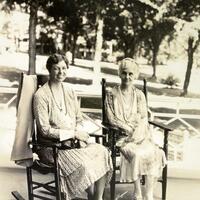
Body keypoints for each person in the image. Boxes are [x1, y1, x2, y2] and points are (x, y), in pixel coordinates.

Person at [33, 53, 112, 200]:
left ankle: (97, 198)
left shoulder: (69, 90)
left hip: (73, 144)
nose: (61, 72)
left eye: (64, 68)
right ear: (49, 70)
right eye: (56, 69)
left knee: (103, 152)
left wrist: (79, 133)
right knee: (85, 165)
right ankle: (90, 195)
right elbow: (44, 130)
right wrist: (73, 134)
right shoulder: (41, 95)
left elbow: (78, 118)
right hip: (52, 148)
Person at [105, 58, 166, 200]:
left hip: (140, 135)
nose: (127, 77)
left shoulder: (139, 95)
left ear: (135, 75)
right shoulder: (111, 94)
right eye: (124, 73)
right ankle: (137, 192)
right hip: (121, 137)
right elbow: (111, 118)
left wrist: (137, 131)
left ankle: (149, 193)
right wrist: (126, 127)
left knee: (156, 153)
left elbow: (143, 117)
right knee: (137, 154)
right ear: (120, 74)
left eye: (131, 74)